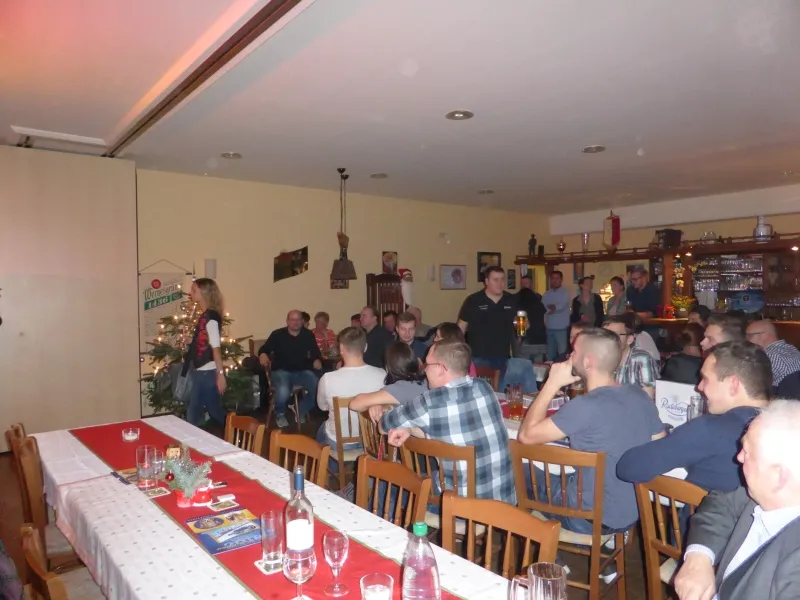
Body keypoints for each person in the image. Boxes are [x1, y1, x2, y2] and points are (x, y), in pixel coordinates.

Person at [517, 327, 664, 535]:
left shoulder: (585, 405)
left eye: (574, 352)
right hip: (633, 512)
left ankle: (530, 541)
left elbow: (525, 436)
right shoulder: (640, 396)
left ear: (588, 361)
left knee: (517, 468)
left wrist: (552, 383)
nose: (569, 357)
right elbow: (659, 442)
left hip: (588, 519)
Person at [674, 400, 800, 600]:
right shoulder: (761, 496)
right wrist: (699, 556)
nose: (739, 457)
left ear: (779, 477)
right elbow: (720, 503)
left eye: (747, 452)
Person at [618, 341, 771, 493]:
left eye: (705, 379)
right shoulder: (783, 425)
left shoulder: (710, 429)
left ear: (733, 384)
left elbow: (627, 468)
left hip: (702, 509)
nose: (699, 387)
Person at [379, 341, 516, 503]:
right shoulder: (484, 387)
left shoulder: (430, 401)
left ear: (441, 368)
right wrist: (410, 429)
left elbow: (383, 425)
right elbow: (449, 431)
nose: (424, 370)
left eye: (427, 364)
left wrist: (382, 406)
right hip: (505, 502)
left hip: (460, 506)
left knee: (388, 481)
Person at [316, 327, 385, 454]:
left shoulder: (327, 379)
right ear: (365, 347)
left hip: (338, 443)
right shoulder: (382, 375)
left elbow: (322, 407)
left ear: (341, 348)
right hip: (371, 443)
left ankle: (325, 462)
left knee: (321, 430)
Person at [258, 310, 322, 428]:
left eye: (298, 319)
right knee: (283, 390)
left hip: (302, 372)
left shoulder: (308, 335)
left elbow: (315, 353)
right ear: (287, 321)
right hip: (281, 372)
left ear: (302, 321)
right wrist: (262, 354)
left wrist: (316, 359)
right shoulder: (277, 334)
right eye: (292, 319)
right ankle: (280, 414)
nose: (296, 322)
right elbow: (264, 349)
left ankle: (301, 410)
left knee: (320, 388)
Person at [457, 265, 517, 375]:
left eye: (502, 279)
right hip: (479, 357)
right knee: (480, 386)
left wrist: (524, 325)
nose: (500, 283)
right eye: (496, 280)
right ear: (487, 281)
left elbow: (517, 323)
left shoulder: (511, 300)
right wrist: (460, 353)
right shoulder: (474, 300)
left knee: (501, 386)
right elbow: (461, 328)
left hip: (503, 357)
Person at [184, 278, 228, 427]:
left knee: (193, 412)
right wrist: (192, 341)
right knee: (213, 409)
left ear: (203, 293)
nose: (190, 293)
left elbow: (215, 347)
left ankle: (236, 431)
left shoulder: (210, 317)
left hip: (206, 372)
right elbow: (206, 342)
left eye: (194, 290)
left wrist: (220, 375)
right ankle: (235, 431)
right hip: (202, 370)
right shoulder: (206, 315)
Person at [349, 342, 428, 413]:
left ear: (388, 368)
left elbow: (354, 404)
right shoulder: (425, 381)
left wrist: (379, 403)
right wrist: (386, 405)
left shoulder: (401, 388)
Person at [604, 314, 660, 398]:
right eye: (604, 335)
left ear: (629, 340)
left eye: (615, 335)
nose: (608, 339)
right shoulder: (599, 358)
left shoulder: (641, 359)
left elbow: (647, 399)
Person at [745, 319, 800, 387]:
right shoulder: (790, 348)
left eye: (749, 335)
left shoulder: (770, 356)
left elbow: (752, 385)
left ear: (765, 335)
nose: (746, 339)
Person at [542, 270, 571, 361]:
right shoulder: (546, 294)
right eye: (553, 278)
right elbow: (543, 308)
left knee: (562, 355)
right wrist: (552, 308)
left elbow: (560, 307)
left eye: (557, 278)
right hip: (549, 328)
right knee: (550, 356)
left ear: (561, 280)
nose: (554, 280)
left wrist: (552, 308)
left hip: (562, 329)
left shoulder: (565, 293)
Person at [516, 286, 547, 362]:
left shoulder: (522, 307)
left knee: (524, 366)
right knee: (539, 366)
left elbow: (522, 327)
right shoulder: (540, 305)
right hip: (541, 341)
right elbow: (545, 322)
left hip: (528, 341)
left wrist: (519, 339)